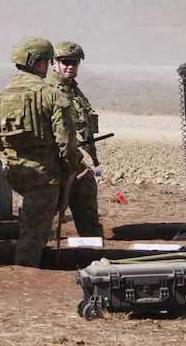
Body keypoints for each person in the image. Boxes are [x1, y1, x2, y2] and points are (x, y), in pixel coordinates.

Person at [0, 37, 80, 267]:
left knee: (31, 224)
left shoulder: (3, 95)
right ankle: (25, 273)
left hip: (16, 172)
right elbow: (67, 142)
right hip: (44, 176)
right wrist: (71, 168)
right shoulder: (51, 94)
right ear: (40, 63)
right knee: (33, 236)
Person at [46, 41, 103, 238]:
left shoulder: (76, 93)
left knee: (90, 225)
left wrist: (91, 162)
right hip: (58, 169)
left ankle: (95, 262)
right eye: (65, 61)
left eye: (75, 63)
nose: (71, 66)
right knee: (50, 226)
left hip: (83, 168)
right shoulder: (47, 91)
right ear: (54, 62)